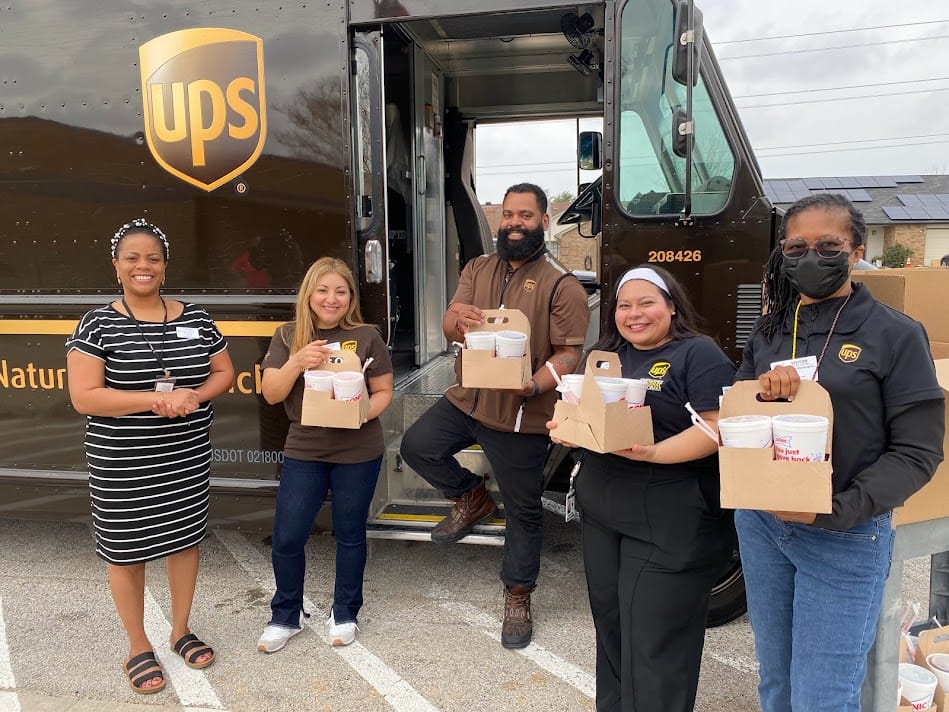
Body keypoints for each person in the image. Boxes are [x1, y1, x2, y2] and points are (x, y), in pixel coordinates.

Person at [734, 193, 945, 712]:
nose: (811, 257)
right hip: (764, 526)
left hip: (845, 534)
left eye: (828, 245)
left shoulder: (894, 334)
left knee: (822, 697)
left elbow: (918, 451)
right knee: (776, 682)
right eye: (796, 247)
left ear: (856, 251)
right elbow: (740, 418)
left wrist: (836, 508)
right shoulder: (770, 329)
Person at [399, 183, 590, 648]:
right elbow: (450, 324)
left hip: (520, 414)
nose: (514, 223)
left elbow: (569, 355)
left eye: (525, 215)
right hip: (469, 397)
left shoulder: (562, 285)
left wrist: (533, 385)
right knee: (416, 446)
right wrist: (456, 319)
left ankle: (518, 594)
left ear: (544, 222)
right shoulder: (477, 268)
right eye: (508, 215)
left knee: (524, 512)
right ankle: (472, 496)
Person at [549, 265, 737, 711]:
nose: (634, 314)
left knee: (656, 640)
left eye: (646, 303)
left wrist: (655, 452)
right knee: (612, 628)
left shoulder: (699, 354)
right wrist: (569, 428)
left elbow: (718, 429)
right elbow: (585, 418)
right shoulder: (607, 356)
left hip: (671, 515)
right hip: (604, 511)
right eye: (624, 305)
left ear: (672, 306)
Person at [66, 218, 235, 694]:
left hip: (186, 455)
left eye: (153, 258)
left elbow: (224, 372)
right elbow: (84, 397)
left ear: (165, 265)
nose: (144, 266)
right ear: (116, 265)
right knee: (126, 553)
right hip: (123, 461)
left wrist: (194, 396)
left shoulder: (195, 316)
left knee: (184, 542)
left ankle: (180, 630)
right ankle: (138, 645)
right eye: (133, 258)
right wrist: (156, 399)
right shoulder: (97, 323)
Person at [256, 257, 393, 653]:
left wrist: (362, 412)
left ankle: (345, 612)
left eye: (340, 291)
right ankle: (286, 615)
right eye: (323, 290)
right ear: (309, 294)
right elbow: (272, 393)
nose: (331, 299)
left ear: (350, 297)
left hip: (358, 449)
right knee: (288, 536)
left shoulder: (366, 336)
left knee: (350, 534)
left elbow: (384, 390)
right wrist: (298, 361)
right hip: (306, 448)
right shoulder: (288, 335)